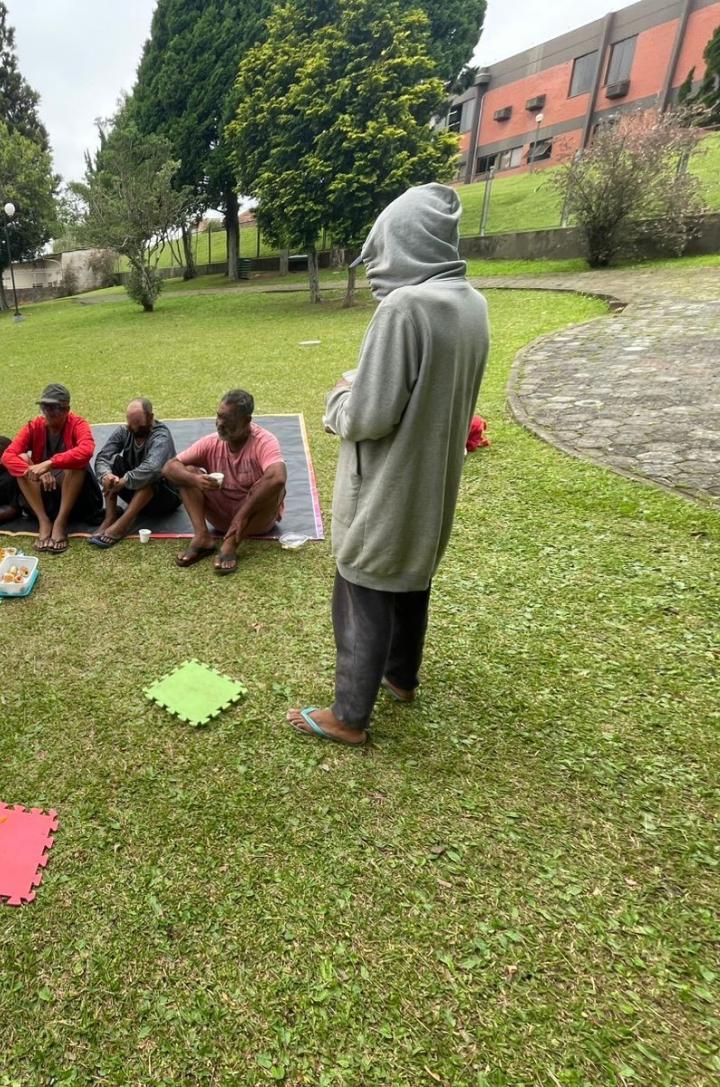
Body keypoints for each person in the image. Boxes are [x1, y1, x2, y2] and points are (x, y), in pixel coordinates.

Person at [287, 182, 489, 747]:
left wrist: (338, 395)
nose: (375, 264)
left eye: (381, 247)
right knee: (410, 577)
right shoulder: (472, 304)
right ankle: (401, 678)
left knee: (363, 584)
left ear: (403, 242)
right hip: (433, 479)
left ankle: (348, 716)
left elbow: (368, 417)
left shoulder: (404, 308)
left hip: (387, 483)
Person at [162, 389, 286, 575]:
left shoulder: (264, 441)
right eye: (219, 416)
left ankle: (231, 543)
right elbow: (169, 467)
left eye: (228, 420)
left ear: (246, 421)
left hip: (254, 522)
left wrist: (241, 518)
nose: (220, 423)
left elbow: (277, 477)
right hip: (221, 520)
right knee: (186, 472)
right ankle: (202, 536)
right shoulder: (211, 442)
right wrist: (195, 479)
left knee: (274, 486)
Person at [2, 382, 103, 553]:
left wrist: (49, 464)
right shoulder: (34, 426)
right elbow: (7, 456)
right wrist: (34, 471)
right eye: (44, 407)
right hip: (45, 492)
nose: (48, 412)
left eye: (54, 408)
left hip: (76, 494)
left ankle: (60, 522)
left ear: (66, 409)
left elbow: (86, 450)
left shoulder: (78, 424)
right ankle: (44, 520)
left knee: (77, 463)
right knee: (21, 459)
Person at [88, 397, 179, 548]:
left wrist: (124, 481)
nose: (134, 429)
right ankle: (110, 518)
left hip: (164, 497)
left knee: (152, 476)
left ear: (150, 417)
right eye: (131, 424)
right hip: (133, 490)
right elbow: (103, 457)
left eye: (139, 424)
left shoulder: (161, 436)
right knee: (113, 463)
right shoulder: (124, 431)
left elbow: (152, 468)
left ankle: (122, 524)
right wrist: (107, 477)